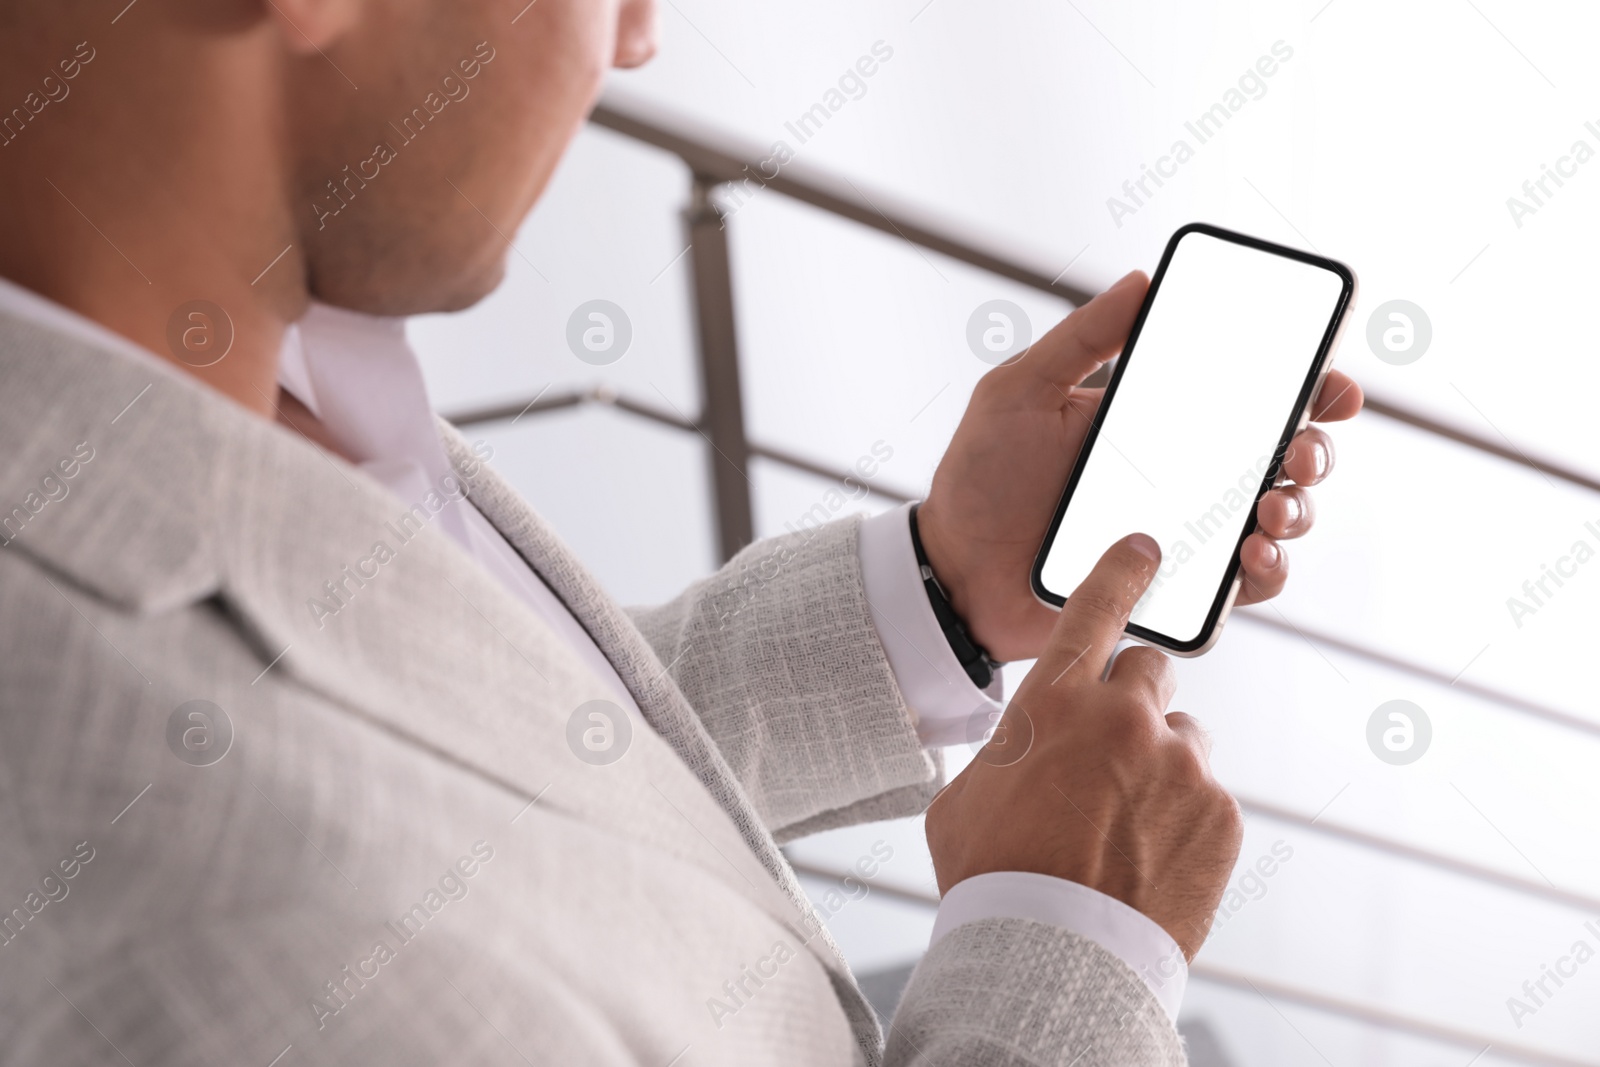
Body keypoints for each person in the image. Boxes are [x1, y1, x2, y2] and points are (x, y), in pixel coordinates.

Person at [0, 1, 1362, 1063]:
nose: (641, 38)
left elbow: (486, 795)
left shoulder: (247, 357)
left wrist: (940, 590)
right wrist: (1072, 948)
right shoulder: (214, 921)